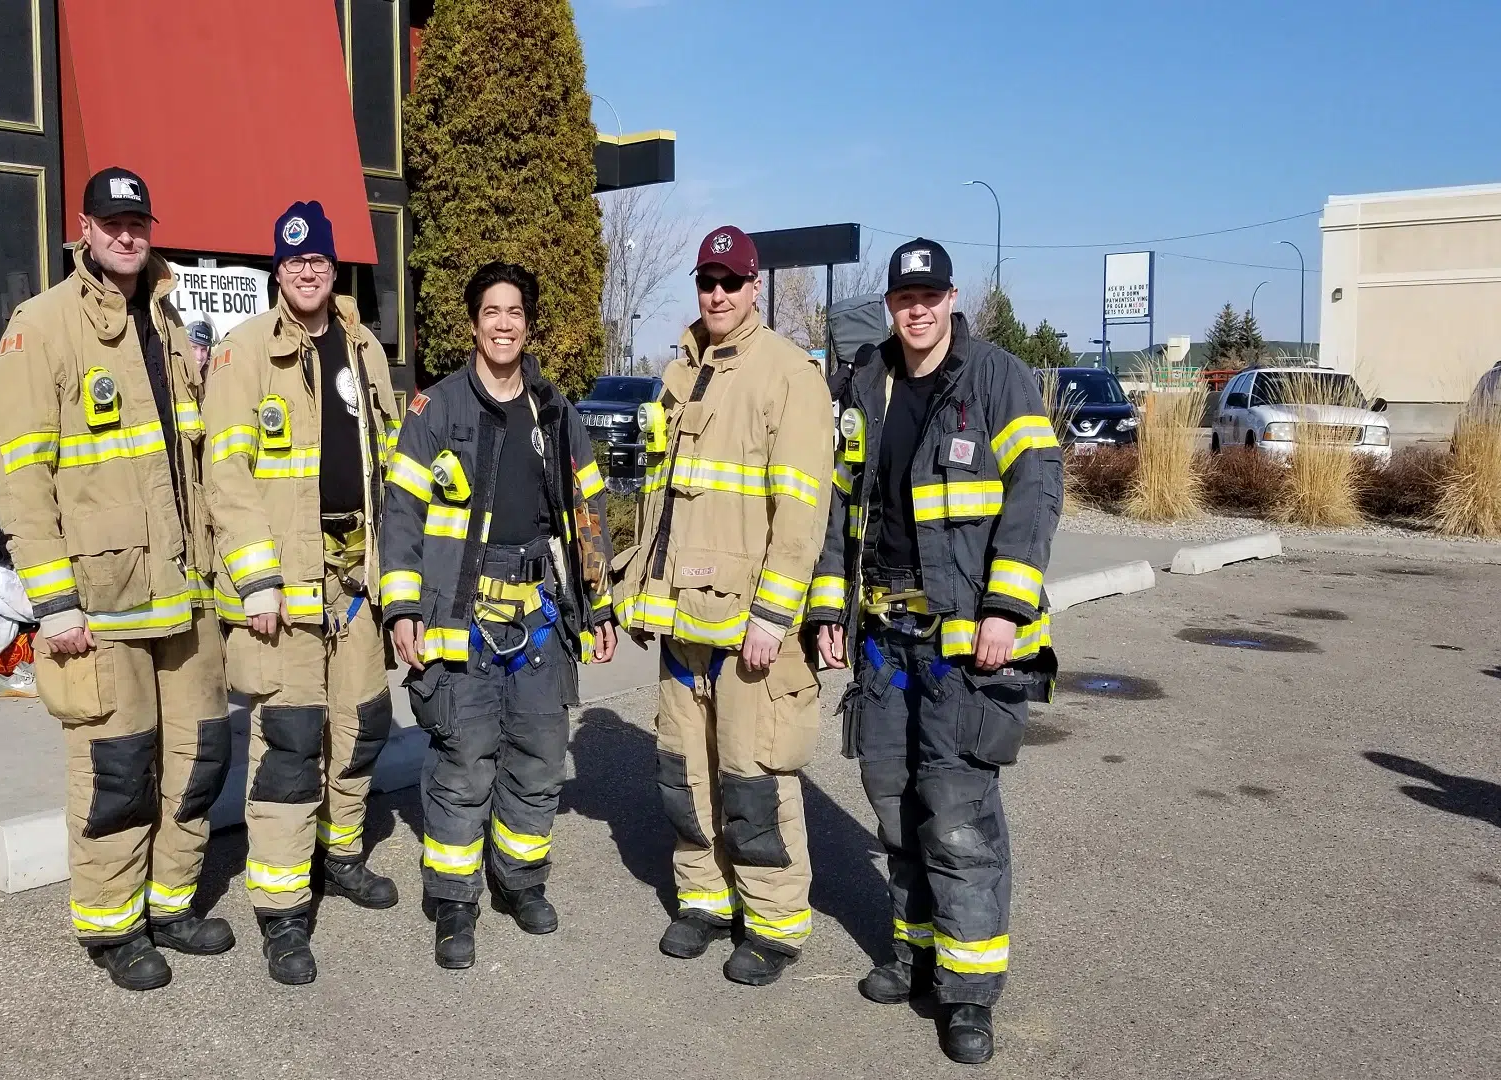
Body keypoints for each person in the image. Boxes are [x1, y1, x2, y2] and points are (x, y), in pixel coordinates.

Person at [807, 238, 1062, 1065]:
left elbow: (1037, 489)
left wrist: (1006, 605)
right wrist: (828, 609)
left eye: (931, 295)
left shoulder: (995, 378)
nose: (916, 309)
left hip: (966, 642)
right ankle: (915, 952)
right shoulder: (865, 381)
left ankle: (967, 991)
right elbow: (837, 502)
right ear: (891, 304)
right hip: (883, 637)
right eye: (903, 297)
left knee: (957, 819)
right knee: (893, 804)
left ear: (952, 299)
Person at [0, 166, 233, 991]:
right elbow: (20, 477)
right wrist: (53, 603)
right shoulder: (42, 326)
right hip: (103, 602)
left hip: (185, 590)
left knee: (197, 759)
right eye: (111, 222)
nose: (127, 236)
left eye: (138, 223)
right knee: (117, 770)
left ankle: (171, 903)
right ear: (84, 228)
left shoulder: (167, 319)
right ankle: (111, 925)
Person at [379, 261, 618, 970]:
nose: (504, 323)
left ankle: (520, 882)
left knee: (540, 757)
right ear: (474, 322)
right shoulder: (437, 411)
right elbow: (402, 515)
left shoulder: (556, 412)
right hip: (460, 612)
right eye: (492, 311)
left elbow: (589, 513)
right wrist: (400, 607)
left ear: (528, 323)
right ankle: (455, 904)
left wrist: (598, 602)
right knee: (464, 760)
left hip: (540, 610)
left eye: (515, 311)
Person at [613, 226, 834, 986]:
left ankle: (772, 922)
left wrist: (775, 618)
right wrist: (639, 596)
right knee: (686, 774)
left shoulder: (788, 376)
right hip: (685, 624)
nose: (717, 293)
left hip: (748, 630)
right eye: (708, 280)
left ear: (755, 287)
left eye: (731, 282)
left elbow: (801, 512)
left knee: (754, 777)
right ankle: (703, 901)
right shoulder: (682, 373)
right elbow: (661, 508)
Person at [201, 201, 404, 985]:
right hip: (284, 585)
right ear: (275, 273)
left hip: (357, 578)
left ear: (332, 265)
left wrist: (395, 576)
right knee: (289, 744)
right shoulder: (244, 352)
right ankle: (283, 913)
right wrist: (257, 581)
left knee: (362, 726)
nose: (307, 271)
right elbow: (227, 476)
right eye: (292, 263)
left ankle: (340, 853)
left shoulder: (362, 346)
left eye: (316, 259)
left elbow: (389, 465)